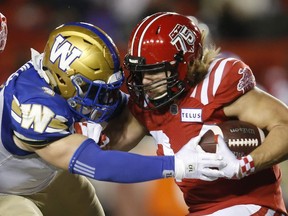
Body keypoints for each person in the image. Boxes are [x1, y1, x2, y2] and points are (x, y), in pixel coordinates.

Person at [0, 21, 226, 216]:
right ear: (63, 80)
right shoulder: (34, 106)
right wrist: (179, 164)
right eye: (95, 90)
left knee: (82, 197)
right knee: (20, 211)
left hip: (32, 178)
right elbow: (97, 164)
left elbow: (134, 112)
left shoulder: (60, 82)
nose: (107, 99)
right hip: (4, 189)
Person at [100, 12, 288, 215]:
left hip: (251, 204)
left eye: (154, 71)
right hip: (201, 210)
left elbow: (285, 126)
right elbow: (105, 151)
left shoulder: (217, 85)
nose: (145, 81)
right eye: (140, 72)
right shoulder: (149, 104)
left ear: (185, 63)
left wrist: (244, 165)